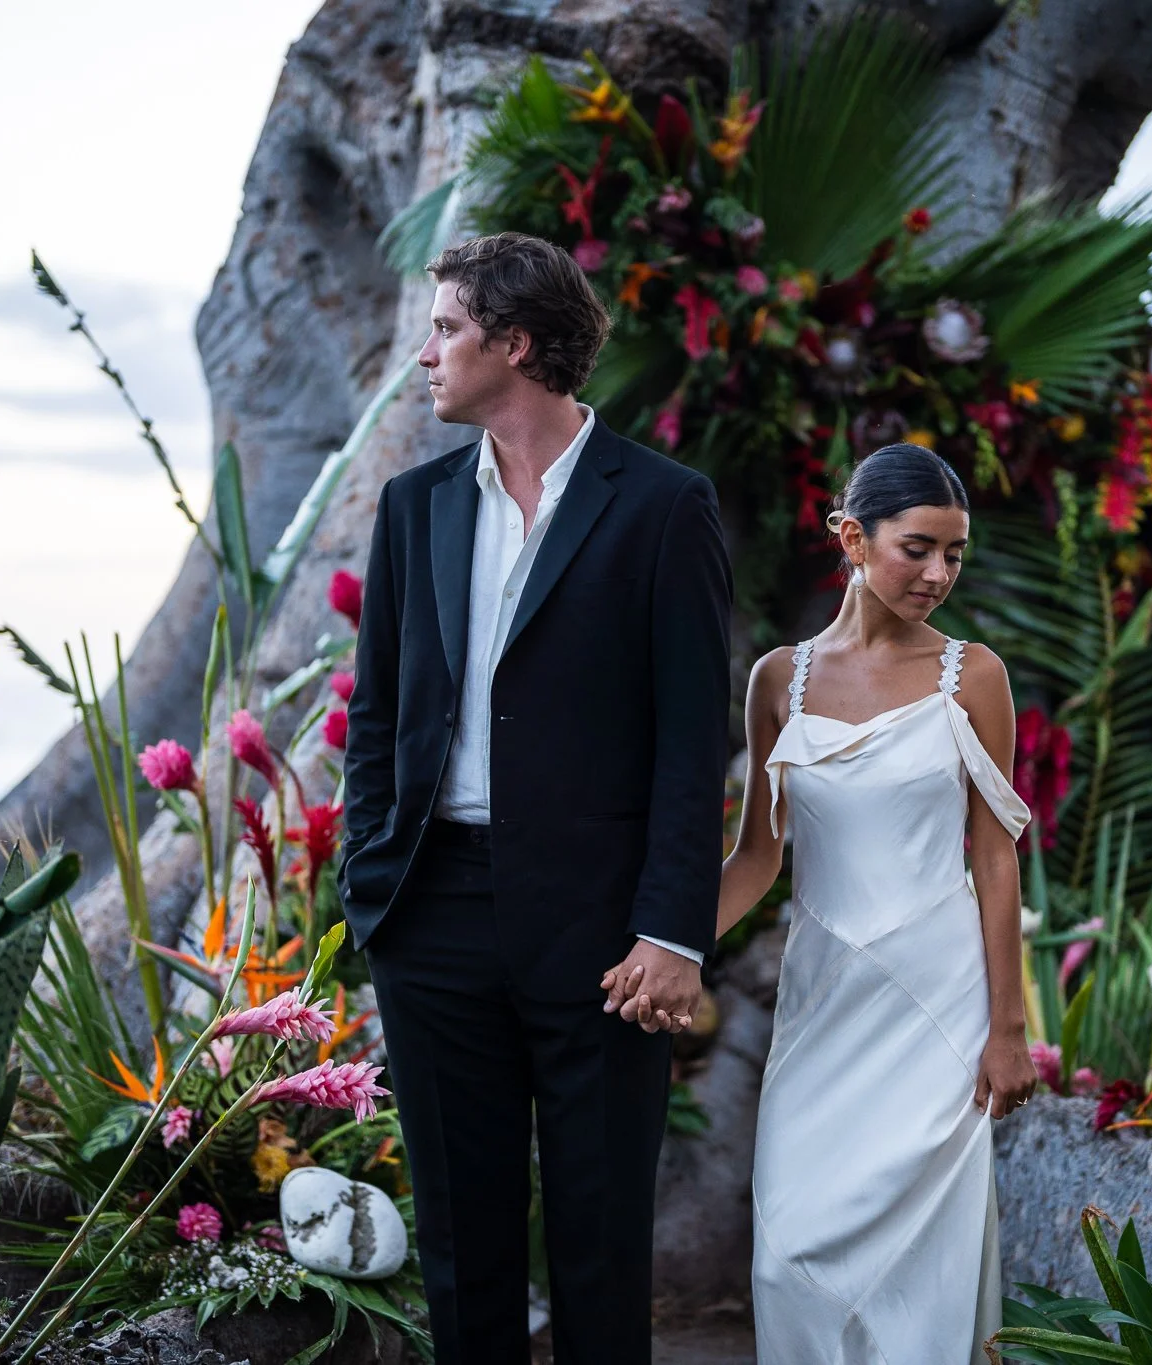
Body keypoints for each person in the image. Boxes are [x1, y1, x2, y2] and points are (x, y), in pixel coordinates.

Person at [339, 232, 733, 1364]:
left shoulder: (663, 506)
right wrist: (375, 885)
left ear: (513, 344)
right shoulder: (414, 507)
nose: (425, 354)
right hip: (432, 915)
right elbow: (378, 716)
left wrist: (670, 931)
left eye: (446, 329)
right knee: (461, 1246)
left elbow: (689, 736)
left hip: (605, 934)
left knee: (600, 1245)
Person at [613, 443, 1038, 1360]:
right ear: (852, 537)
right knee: (788, 1253)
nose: (938, 573)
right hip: (824, 999)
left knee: (922, 1262)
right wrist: (668, 946)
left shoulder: (976, 676)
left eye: (955, 553)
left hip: (938, 1006)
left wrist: (1010, 1027)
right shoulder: (781, 679)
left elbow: (996, 861)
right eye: (917, 547)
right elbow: (758, 857)